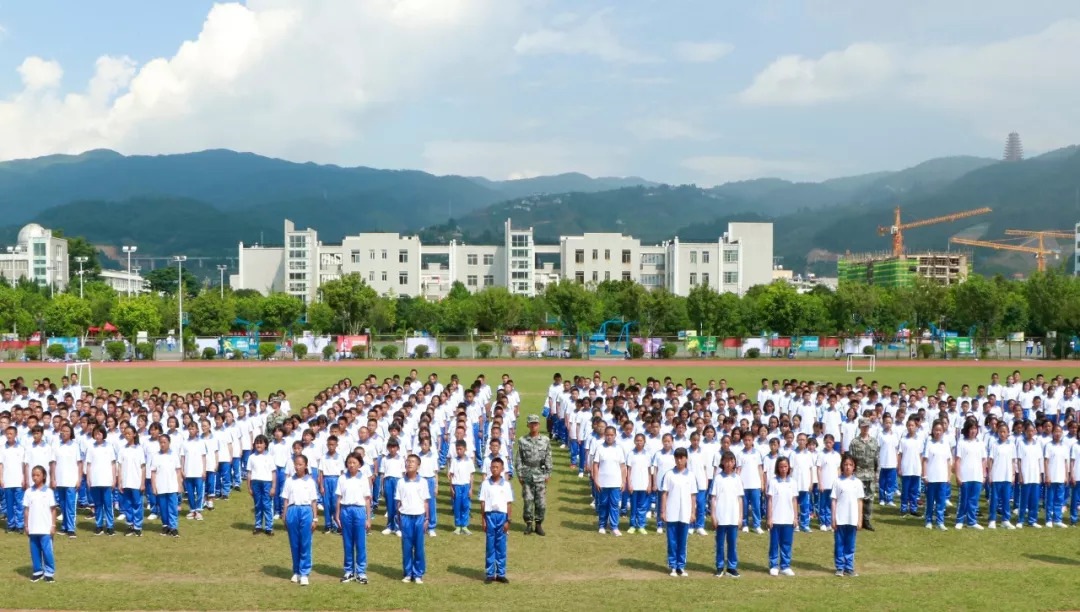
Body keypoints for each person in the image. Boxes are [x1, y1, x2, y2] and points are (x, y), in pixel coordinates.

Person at [282, 454, 318, 586]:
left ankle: (304, 572)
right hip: (292, 510)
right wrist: (284, 515)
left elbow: (314, 501)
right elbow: (285, 499)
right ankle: (296, 571)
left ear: (305, 466)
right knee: (294, 543)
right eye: (295, 464)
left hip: (306, 511)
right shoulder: (289, 481)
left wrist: (315, 518)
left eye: (300, 464)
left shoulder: (310, 481)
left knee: (305, 543)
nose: (297, 467)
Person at [336, 453, 372, 584]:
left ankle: (361, 572)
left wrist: (368, 518)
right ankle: (349, 571)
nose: (351, 465)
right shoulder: (342, 478)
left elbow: (367, 499)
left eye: (354, 462)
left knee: (360, 543)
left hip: (359, 510)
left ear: (359, 464)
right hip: (345, 510)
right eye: (349, 462)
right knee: (347, 542)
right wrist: (337, 514)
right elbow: (339, 497)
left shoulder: (363, 479)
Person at [513, 415, 552, 536]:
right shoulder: (522, 440)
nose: (533, 425)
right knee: (528, 501)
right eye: (531, 423)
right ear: (528, 425)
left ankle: (539, 524)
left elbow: (548, 457)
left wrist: (548, 473)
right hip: (527, 474)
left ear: (539, 425)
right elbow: (519, 459)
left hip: (540, 474)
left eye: (536, 423)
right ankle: (529, 524)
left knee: (541, 502)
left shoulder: (545, 440)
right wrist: (519, 474)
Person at [660, 447, 694, 577]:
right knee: (672, 540)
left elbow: (693, 496)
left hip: (685, 512)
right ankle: (673, 565)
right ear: (674, 459)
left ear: (686, 459)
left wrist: (693, 512)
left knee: (682, 540)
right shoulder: (669, 474)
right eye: (677, 458)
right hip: (672, 512)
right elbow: (664, 494)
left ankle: (681, 566)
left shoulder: (690, 475)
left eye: (682, 457)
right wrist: (663, 511)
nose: (680, 460)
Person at [397, 454, 430, 584]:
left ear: (418, 466)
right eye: (408, 461)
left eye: (413, 462)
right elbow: (398, 502)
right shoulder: (401, 481)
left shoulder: (423, 482)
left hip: (419, 516)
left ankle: (418, 573)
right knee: (406, 546)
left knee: (419, 546)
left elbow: (426, 502)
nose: (410, 464)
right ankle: (407, 572)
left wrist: (427, 519)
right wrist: (398, 517)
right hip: (405, 516)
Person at [480, 456, 513, 584]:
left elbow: (509, 503)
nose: (494, 469)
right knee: (490, 545)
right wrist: (483, 519)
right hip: (489, 516)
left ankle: (501, 573)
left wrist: (508, 521)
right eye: (492, 467)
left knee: (501, 546)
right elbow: (482, 503)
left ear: (502, 469)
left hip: (501, 516)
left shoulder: (506, 485)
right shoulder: (485, 484)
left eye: (497, 467)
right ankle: (489, 574)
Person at [831, 453, 864, 577]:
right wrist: (833, 519)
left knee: (850, 544)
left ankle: (849, 567)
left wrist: (860, 520)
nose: (848, 467)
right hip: (840, 518)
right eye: (845, 464)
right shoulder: (837, 481)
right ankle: (840, 567)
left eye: (850, 465)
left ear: (854, 467)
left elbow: (860, 502)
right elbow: (834, 501)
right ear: (842, 466)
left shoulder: (858, 483)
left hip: (852, 519)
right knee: (839, 544)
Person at [711, 450, 742, 578]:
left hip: (733, 516)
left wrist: (740, 517)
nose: (729, 463)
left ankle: (731, 567)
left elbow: (740, 499)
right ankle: (719, 567)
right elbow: (713, 498)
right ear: (722, 462)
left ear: (734, 462)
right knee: (720, 543)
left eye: (731, 461)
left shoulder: (737, 478)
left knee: (732, 543)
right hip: (720, 516)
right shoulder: (718, 478)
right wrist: (713, 515)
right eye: (726, 461)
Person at [23, 465, 56, 582]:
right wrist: (26, 525)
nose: (35, 477)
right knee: (35, 550)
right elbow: (26, 510)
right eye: (33, 475)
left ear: (43, 476)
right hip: (33, 528)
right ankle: (37, 571)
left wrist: (53, 525)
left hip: (45, 528)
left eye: (38, 475)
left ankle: (49, 572)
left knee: (47, 551)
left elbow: (53, 510)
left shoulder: (48, 492)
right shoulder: (28, 492)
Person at [591, 426, 626, 536]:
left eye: (612, 435)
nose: (609, 437)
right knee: (604, 504)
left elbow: (623, 466)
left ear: (615, 436)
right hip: (603, 482)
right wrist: (596, 480)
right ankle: (602, 525)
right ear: (605, 435)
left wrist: (623, 481)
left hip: (615, 482)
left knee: (614, 505)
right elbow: (595, 465)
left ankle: (614, 527)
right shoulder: (600, 448)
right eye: (607, 435)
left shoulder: (619, 449)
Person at [766, 456, 798, 576]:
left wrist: (795, 517)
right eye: (781, 467)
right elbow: (769, 500)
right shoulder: (773, 482)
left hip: (788, 519)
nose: (783, 469)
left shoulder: (793, 482)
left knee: (786, 543)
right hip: (776, 518)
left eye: (785, 466)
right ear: (777, 468)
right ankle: (774, 565)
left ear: (789, 467)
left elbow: (794, 500)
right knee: (774, 543)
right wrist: (769, 518)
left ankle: (785, 566)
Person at [84, 425, 117, 536]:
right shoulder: (91, 447)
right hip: (95, 480)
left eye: (99, 433)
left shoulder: (109, 447)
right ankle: (99, 525)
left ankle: (110, 526)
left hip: (107, 480)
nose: (97, 436)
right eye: (95, 434)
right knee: (97, 504)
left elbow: (113, 464)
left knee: (108, 504)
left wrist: (114, 479)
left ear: (103, 434)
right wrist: (88, 478)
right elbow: (88, 464)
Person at [954, 420, 987, 530]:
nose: (973, 431)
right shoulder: (962, 442)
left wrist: (983, 475)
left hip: (977, 476)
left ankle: (972, 521)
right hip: (965, 475)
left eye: (975, 429)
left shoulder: (980, 443)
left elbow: (983, 460)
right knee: (964, 499)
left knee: (974, 500)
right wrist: (958, 476)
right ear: (967, 430)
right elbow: (957, 460)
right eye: (971, 429)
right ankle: (960, 520)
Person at [847, 418, 879, 531]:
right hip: (858, 475)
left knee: (869, 499)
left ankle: (866, 521)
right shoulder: (854, 442)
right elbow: (850, 460)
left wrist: (877, 474)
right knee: (857, 499)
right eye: (863, 426)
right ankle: (856, 520)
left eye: (867, 426)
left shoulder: (874, 441)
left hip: (870, 474)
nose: (865, 428)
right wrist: (850, 475)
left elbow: (877, 459)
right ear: (860, 427)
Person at [150, 434, 182, 537]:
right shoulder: (156, 456)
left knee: (173, 507)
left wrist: (179, 485)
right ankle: (165, 525)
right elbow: (153, 473)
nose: (162, 444)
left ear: (169, 443)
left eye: (165, 442)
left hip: (172, 486)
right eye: (161, 442)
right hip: (161, 486)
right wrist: (154, 487)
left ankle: (173, 527)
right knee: (163, 508)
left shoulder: (174, 455)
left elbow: (178, 471)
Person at [922, 421, 952, 530]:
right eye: (936, 430)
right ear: (932, 431)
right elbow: (925, 460)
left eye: (940, 430)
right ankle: (928, 520)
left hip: (942, 477)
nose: (938, 432)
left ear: (943, 431)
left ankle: (940, 522)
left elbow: (948, 461)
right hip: (931, 477)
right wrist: (925, 476)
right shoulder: (929, 443)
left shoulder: (945, 443)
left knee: (941, 501)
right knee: (930, 500)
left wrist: (949, 475)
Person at [987, 422, 1017, 529]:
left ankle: (1005, 519)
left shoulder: (1012, 445)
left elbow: (1013, 461)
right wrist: (990, 474)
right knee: (994, 499)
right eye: (1000, 432)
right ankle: (992, 519)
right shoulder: (994, 444)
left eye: (1004, 432)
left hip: (1007, 475)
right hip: (996, 475)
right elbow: (990, 460)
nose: (1002, 434)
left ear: (1008, 433)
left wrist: (1013, 474)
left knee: (1006, 499)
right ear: (997, 432)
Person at [117, 426, 146, 537]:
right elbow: (120, 466)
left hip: (136, 482)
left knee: (137, 504)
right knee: (127, 504)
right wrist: (119, 482)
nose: (127, 435)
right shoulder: (122, 449)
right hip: (125, 482)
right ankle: (130, 525)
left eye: (129, 433)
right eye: (125, 433)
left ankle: (137, 526)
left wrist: (142, 483)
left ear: (134, 434)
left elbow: (143, 467)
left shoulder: (139, 449)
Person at [247, 434, 276, 536]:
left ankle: (269, 527)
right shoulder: (251, 457)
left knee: (267, 505)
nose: (258, 445)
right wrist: (249, 487)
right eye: (257, 443)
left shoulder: (269, 457)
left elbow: (273, 473)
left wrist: (273, 487)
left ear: (265, 445)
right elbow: (249, 473)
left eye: (261, 443)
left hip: (267, 483)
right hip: (255, 483)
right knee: (258, 505)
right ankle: (258, 526)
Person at [1, 425, 27, 533]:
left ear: (16, 435)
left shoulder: (21, 449)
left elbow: (24, 465)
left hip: (18, 480)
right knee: (9, 504)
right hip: (7, 480)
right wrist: (1, 478)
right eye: (7, 434)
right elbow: (1, 465)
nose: (9, 436)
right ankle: (11, 524)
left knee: (19, 504)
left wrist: (24, 478)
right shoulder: (2, 449)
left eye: (11, 434)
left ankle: (20, 525)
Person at [626, 433, 652, 535]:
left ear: (644, 442)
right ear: (634, 441)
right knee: (633, 506)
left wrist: (649, 484)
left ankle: (641, 525)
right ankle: (632, 525)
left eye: (641, 440)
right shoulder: (631, 454)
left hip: (644, 484)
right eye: (637, 440)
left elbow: (649, 471)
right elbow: (629, 470)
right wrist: (629, 484)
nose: (639, 442)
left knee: (642, 507)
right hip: (634, 484)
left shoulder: (648, 455)